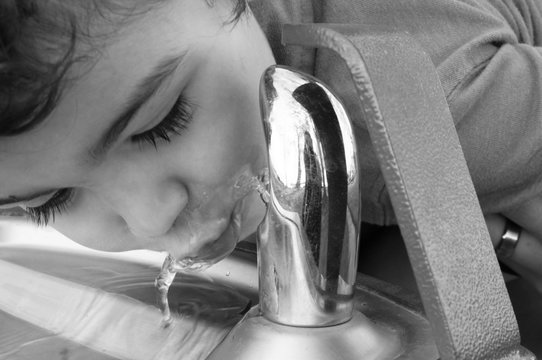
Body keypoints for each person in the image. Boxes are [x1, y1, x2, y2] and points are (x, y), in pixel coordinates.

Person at [1, 0, 542, 289]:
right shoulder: (195, 51)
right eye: (51, 200)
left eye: (162, 123)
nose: (150, 220)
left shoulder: (414, 117)